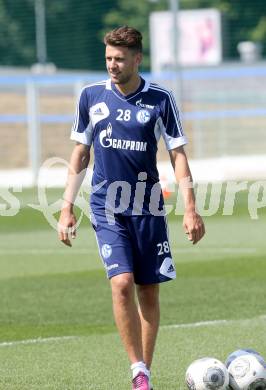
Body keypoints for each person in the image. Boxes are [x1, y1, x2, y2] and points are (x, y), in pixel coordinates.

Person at [58, 26, 205, 390]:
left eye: (119, 59)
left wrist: (190, 208)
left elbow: (177, 154)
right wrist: (66, 207)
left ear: (137, 59)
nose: (112, 65)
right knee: (121, 282)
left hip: (149, 207)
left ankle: (146, 374)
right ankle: (137, 368)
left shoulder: (161, 99)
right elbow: (80, 153)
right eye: (108, 58)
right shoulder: (90, 97)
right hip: (107, 206)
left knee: (148, 289)